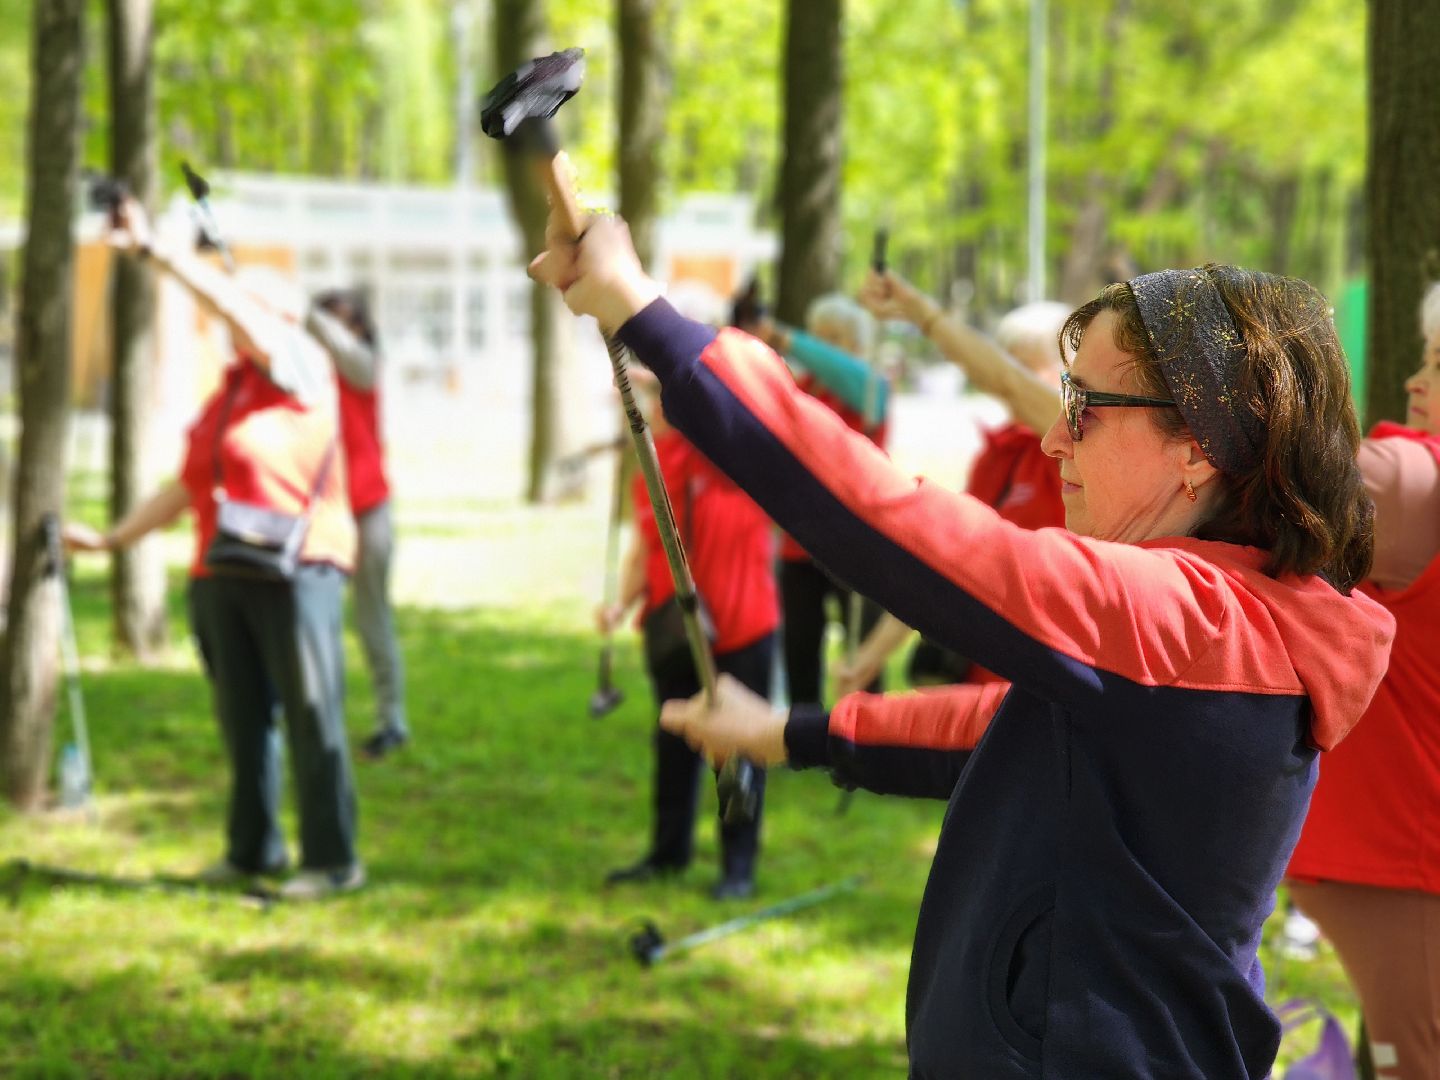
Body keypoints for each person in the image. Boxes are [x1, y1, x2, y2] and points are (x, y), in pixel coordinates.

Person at [531, 217, 1395, 1077]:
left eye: (1086, 408)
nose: (1057, 436)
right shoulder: (1216, 626)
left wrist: (647, 316)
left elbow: (897, 522)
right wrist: (792, 732)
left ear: (1198, 451)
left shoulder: (1190, 620)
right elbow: (1008, 730)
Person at [65, 197, 363, 901]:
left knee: (313, 714)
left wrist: (162, 253)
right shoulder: (227, 394)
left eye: (243, 309)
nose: (230, 321)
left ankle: (333, 860)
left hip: (299, 570)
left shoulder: (301, 365)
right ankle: (253, 849)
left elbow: (249, 316)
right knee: (243, 719)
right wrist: (112, 540)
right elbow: (186, 488)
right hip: (221, 572)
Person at [1285, 281, 1440, 1079]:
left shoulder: (1414, 483)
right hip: (1394, 866)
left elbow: (1250, 473)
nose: (1416, 382)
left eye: (1439, 364)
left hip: (1397, 858)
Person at [597, 370, 778, 901]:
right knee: (674, 741)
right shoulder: (652, 469)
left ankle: (737, 865)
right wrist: (621, 605)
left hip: (742, 625)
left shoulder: (729, 456)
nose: (654, 405)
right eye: (647, 396)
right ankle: (667, 851)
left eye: (658, 393)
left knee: (740, 749)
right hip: (675, 630)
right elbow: (647, 550)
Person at [839, 280, 1070, 694]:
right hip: (987, 679)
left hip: (1053, 677)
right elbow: (952, 562)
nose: (1001, 378)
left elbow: (1007, 383)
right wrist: (869, 657)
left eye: (1027, 364)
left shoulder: (1076, 447)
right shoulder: (998, 456)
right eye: (1008, 360)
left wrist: (922, 314)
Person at [737, 293, 889, 708]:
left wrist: (784, 338)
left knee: (862, 641)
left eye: (834, 337)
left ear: (856, 345)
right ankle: (804, 731)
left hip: (856, 536)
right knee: (800, 641)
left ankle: (868, 729)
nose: (821, 347)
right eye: (817, 337)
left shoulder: (871, 388)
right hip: (799, 538)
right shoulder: (800, 390)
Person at [306, 289, 408, 760]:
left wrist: (305, 313)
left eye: (348, 322)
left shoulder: (363, 365)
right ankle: (318, 716)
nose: (339, 332)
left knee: (371, 619)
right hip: (321, 513)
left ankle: (392, 721)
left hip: (368, 509)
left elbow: (348, 353)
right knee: (316, 620)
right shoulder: (307, 375)